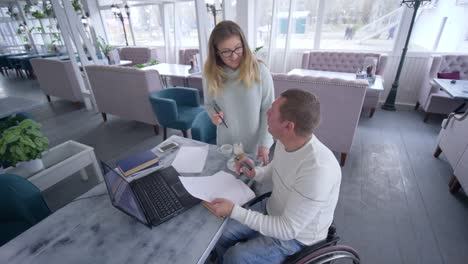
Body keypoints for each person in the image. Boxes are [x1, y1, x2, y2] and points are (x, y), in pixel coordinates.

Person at [204, 89, 342, 264]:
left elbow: (287, 230)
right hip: (272, 209)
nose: (267, 113)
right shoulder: (288, 143)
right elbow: (275, 170)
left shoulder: (318, 170)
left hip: (297, 238)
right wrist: (255, 173)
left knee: (236, 257)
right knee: (219, 234)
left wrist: (233, 211)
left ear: (288, 126)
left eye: (272, 111)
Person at [203, 21, 274, 165]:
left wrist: (265, 143)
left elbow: (269, 109)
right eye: (226, 51)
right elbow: (210, 104)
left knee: (251, 183)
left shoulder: (260, 71)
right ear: (216, 52)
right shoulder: (211, 73)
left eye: (237, 48)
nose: (234, 56)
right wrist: (213, 115)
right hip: (226, 144)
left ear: (244, 45)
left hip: (254, 145)